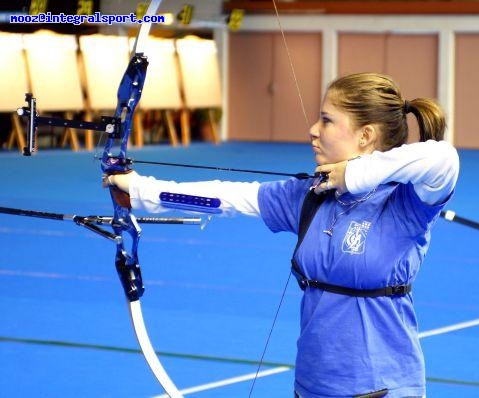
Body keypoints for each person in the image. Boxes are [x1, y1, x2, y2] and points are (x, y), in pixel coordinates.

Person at [106, 72, 459, 398]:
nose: (313, 129)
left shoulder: (404, 204)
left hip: (383, 387)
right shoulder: (310, 195)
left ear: (366, 136)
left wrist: (355, 175)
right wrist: (141, 191)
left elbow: (443, 158)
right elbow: (227, 197)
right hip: (313, 384)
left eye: (327, 120)